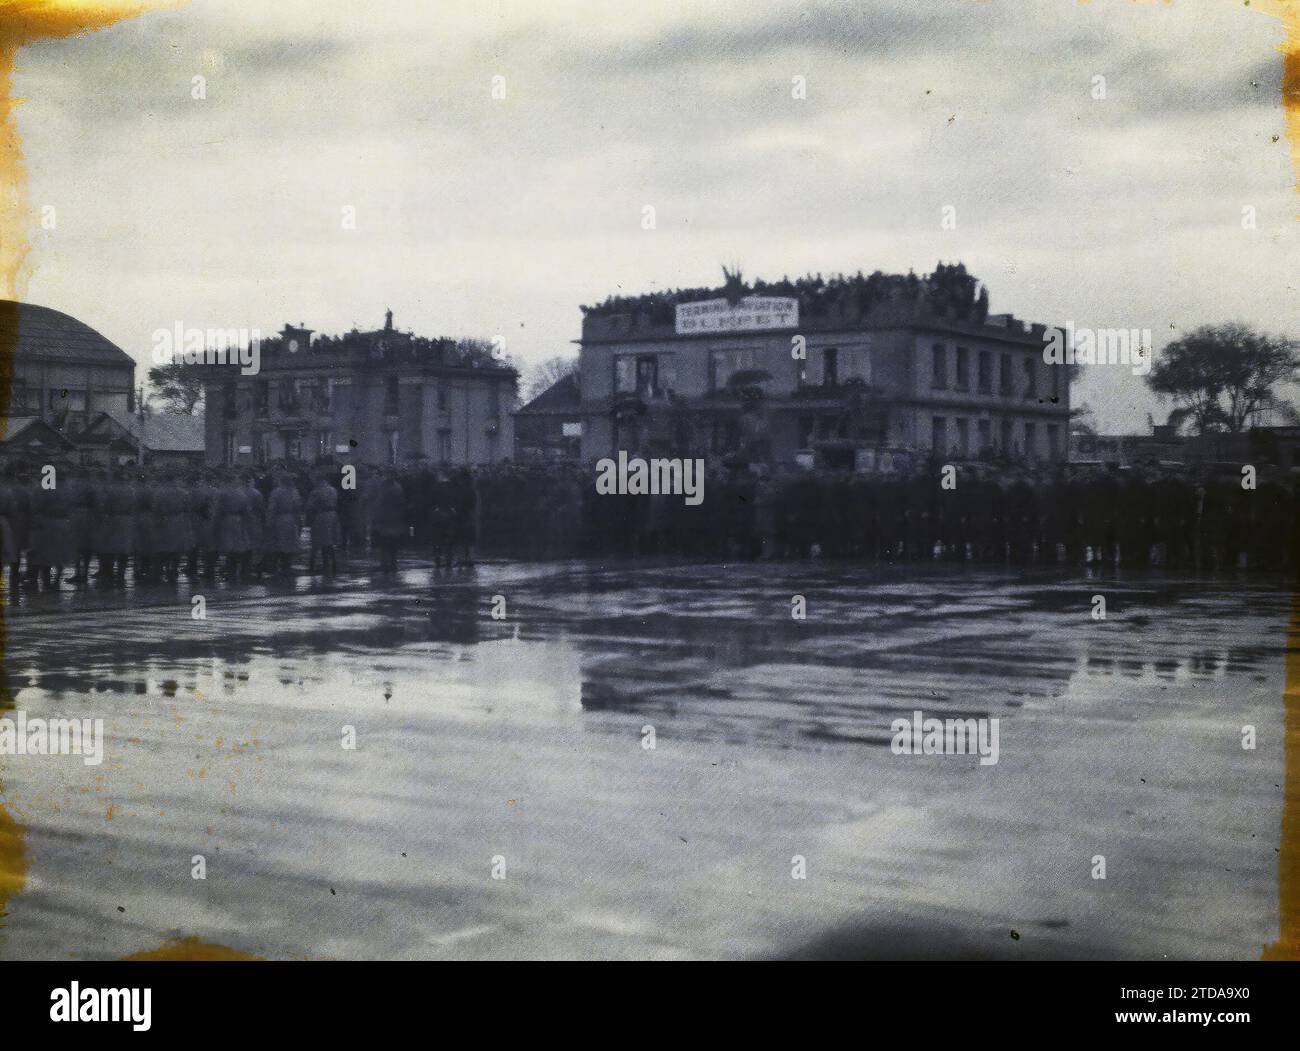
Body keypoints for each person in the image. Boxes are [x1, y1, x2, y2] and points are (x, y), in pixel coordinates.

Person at [370, 469, 407, 572]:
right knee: (391, 543)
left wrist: (376, 516)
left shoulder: (385, 487)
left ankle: (386, 563)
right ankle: (391, 562)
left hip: (386, 518)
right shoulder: (397, 486)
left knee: (385, 542)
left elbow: (379, 502)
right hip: (394, 518)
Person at [266, 472, 302, 576]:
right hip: (291, 519)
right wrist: (298, 522)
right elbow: (298, 507)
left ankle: (275, 566)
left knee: (277, 543)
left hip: (279, 519)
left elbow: (271, 508)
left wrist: (269, 522)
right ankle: (287, 566)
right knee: (289, 543)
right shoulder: (295, 492)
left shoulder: (276, 492)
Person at [306, 472, 342, 575]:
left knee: (317, 541)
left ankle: (312, 565)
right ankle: (332, 563)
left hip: (321, 516)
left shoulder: (316, 491)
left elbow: (310, 506)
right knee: (329, 540)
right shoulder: (333, 490)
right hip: (333, 515)